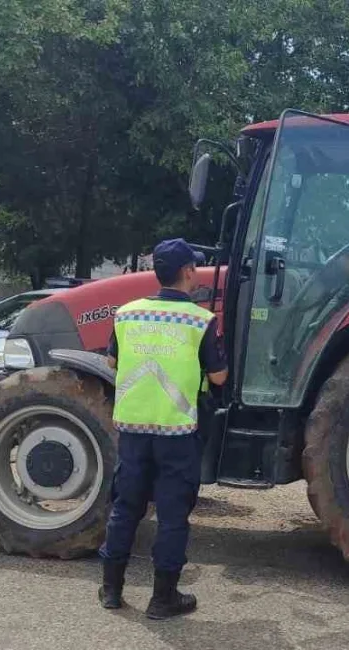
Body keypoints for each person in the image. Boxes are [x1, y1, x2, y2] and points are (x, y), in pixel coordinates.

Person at [97, 238, 227, 620]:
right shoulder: (200, 321)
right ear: (188, 271)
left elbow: (110, 363)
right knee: (172, 516)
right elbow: (218, 377)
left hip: (134, 431)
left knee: (125, 508)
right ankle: (163, 599)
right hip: (178, 434)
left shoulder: (127, 314)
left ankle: (111, 590)